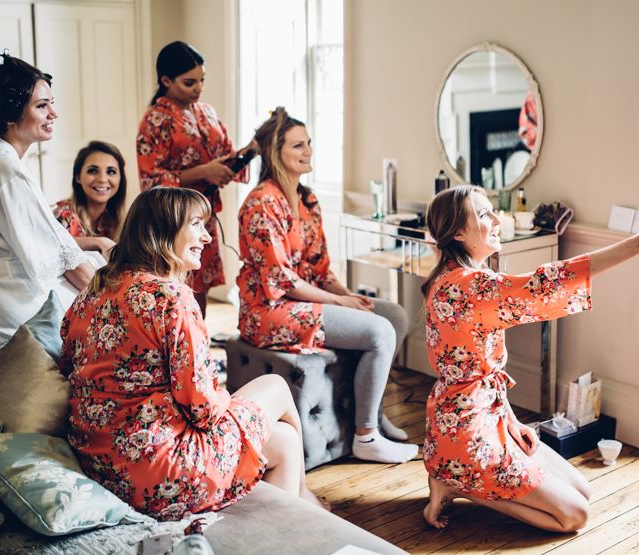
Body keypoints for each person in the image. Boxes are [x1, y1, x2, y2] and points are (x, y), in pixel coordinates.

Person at [60, 187, 325, 519]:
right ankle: (304, 499)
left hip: (99, 460)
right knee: (276, 388)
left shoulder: (94, 291)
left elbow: (68, 361)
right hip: (157, 473)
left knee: (283, 439)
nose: (207, 238)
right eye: (197, 225)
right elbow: (202, 409)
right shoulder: (171, 298)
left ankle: (299, 506)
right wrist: (232, 402)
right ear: (164, 231)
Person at [421, 185, 639, 532]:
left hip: (477, 420)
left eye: (492, 210)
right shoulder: (469, 287)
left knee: (582, 490)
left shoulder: (451, 277)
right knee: (574, 517)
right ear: (458, 232)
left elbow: (483, 378)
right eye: (482, 214)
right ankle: (459, 486)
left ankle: (454, 474)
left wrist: (511, 423)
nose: (496, 219)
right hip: (465, 436)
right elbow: (547, 285)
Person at [237, 109, 419, 464]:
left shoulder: (308, 200)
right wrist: (338, 302)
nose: (308, 151)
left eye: (310, 143)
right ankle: (365, 437)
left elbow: (320, 265)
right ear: (276, 152)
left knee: (394, 316)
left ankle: (374, 414)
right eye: (298, 145)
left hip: (305, 298)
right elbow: (282, 280)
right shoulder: (260, 204)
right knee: (379, 332)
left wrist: (347, 295)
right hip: (270, 310)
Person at [0, 53, 93, 345]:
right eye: (42, 106)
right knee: (109, 302)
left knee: (99, 265)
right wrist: (120, 300)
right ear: (11, 115)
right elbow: (61, 256)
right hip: (4, 302)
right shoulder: (5, 169)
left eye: (52, 103)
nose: (54, 113)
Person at [137, 42, 253, 316]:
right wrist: (204, 172)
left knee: (201, 285)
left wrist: (253, 149)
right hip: (171, 219)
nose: (198, 88)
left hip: (204, 215)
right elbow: (151, 181)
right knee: (176, 286)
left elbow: (226, 158)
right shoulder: (155, 120)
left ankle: (199, 343)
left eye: (201, 80)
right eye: (189, 83)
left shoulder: (207, 112)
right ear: (166, 80)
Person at [53, 140, 127, 254]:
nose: (102, 179)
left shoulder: (121, 220)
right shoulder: (60, 213)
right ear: (78, 177)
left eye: (111, 172)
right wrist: (99, 242)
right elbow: (50, 245)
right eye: (92, 171)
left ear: (120, 178)